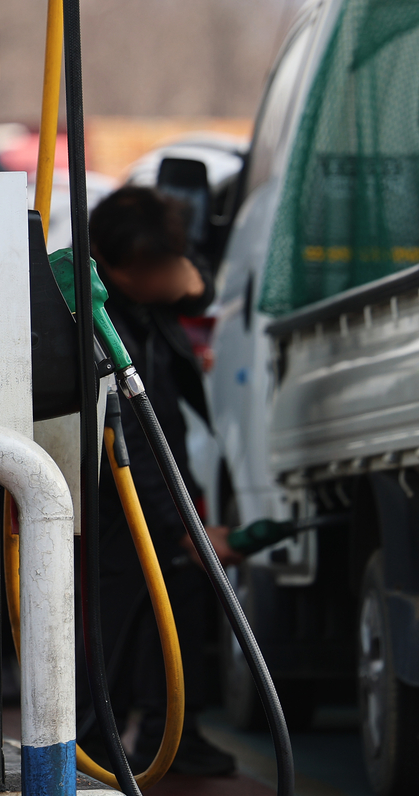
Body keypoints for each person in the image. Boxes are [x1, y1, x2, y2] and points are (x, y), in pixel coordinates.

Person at [77, 185, 242, 777]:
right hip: (115, 486)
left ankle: (176, 733)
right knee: (118, 616)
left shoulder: (151, 299)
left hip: (165, 469)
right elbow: (128, 440)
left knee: (179, 609)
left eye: (162, 268)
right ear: (108, 261)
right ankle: (97, 748)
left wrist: (192, 282)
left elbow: (199, 283)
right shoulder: (89, 315)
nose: (156, 280)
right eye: (145, 271)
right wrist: (182, 528)